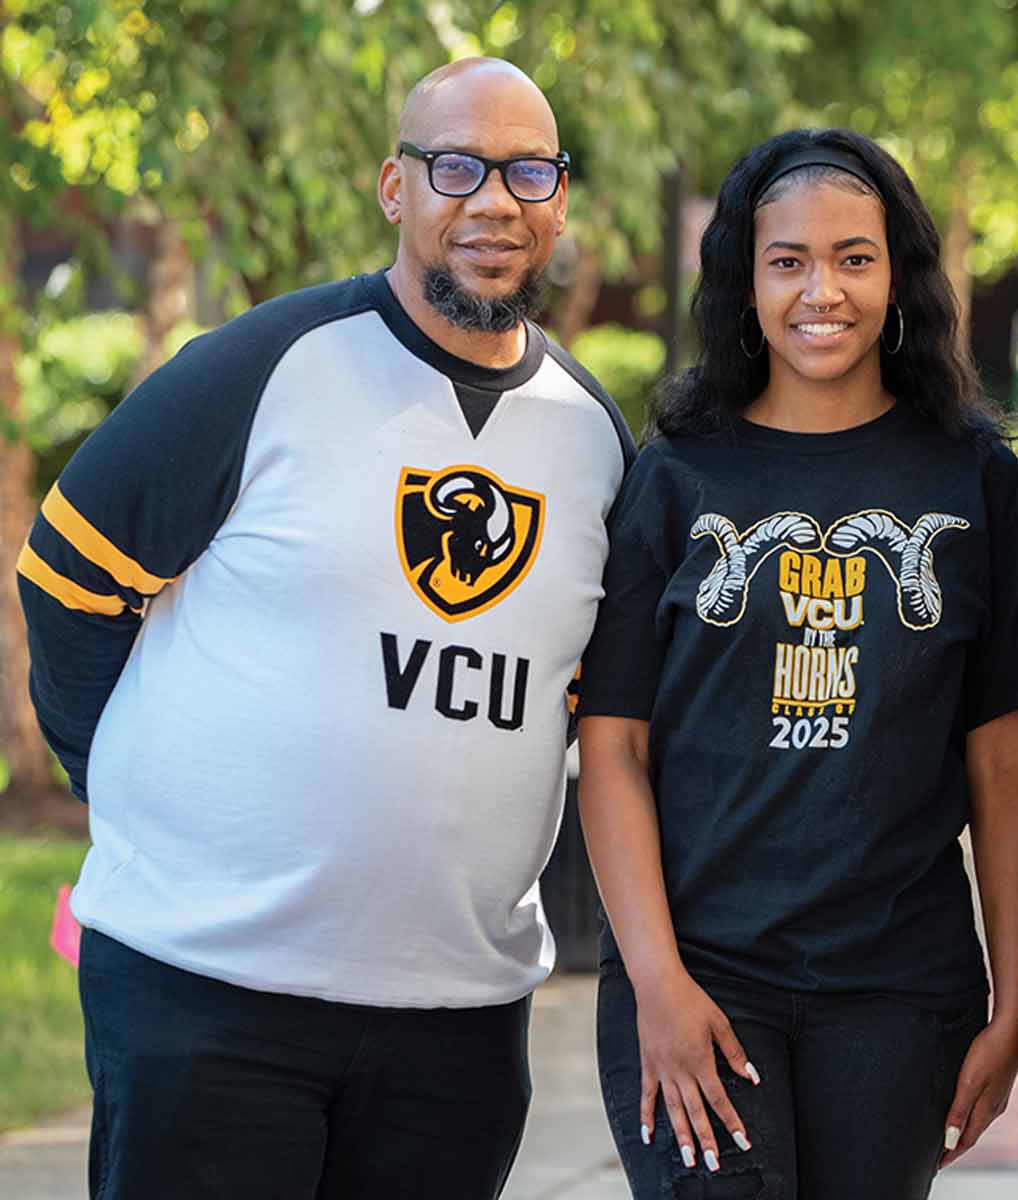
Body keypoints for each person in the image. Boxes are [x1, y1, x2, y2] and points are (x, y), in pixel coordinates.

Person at [16, 58, 633, 1199]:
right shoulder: (264, 366)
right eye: (456, 167)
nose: (493, 201)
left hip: (457, 1017)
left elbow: (598, 702)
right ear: (394, 187)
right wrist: (138, 788)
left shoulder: (593, 439)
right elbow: (66, 584)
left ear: (559, 199)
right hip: (208, 988)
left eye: (527, 171)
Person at [575, 128, 1018, 1199]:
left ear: (899, 278)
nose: (819, 290)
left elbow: (1002, 766)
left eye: (854, 258)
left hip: (898, 992)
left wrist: (1012, 996)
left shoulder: (973, 481)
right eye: (787, 261)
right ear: (745, 282)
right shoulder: (676, 477)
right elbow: (613, 750)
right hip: (700, 971)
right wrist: (655, 981)